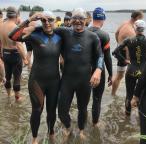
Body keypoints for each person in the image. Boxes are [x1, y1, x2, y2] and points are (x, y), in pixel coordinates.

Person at [9, 11, 62, 144]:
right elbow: (13, 36)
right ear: (40, 21)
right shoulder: (34, 35)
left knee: (51, 111)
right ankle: (34, 138)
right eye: (44, 20)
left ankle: (51, 134)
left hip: (54, 81)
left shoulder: (61, 36)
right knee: (37, 110)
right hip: (37, 80)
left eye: (50, 20)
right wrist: (29, 20)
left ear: (55, 21)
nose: (47, 23)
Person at [55, 8, 104, 139]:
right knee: (61, 110)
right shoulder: (64, 32)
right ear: (70, 20)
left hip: (84, 81)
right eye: (75, 18)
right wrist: (32, 21)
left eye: (81, 18)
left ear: (86, 20)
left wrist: (98, 70)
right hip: (67, 79)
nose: (78, 20)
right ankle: (68, 126)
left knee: (83, 109)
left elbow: (100, 55)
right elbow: (46, 28)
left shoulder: (93, 37)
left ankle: (81, 130)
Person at [113, 20, 146, 116]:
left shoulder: (128, 40)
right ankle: (141, 117)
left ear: (135, 28)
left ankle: (127, 114)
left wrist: (124, 61)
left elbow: (115, 52)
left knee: (129, 94)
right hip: (144, 72)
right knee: (142, 96)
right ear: (144, 29)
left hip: (131, 71)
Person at [88, 7, 112, 126]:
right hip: (98, 71)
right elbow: (107, 57)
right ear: (103, 19)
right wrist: (111, 74)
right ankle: (95, 123)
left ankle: (81, 126)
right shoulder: (104, 35)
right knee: (96, 99)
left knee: (83, 98)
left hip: (83, 70)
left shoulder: (84, 32)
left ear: (93, 18)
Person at [111, 10, 144, 96]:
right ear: (137, 18)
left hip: (120, 51)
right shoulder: (131, 31)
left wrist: (119, 44)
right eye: (141, 19)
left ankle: (113, 86)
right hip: (124, 54)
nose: (142, 21)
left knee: (120, 75)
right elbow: (130, 47)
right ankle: (113, 94)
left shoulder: (125, 23)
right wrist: (127, 57)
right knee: (120, 76)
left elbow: (116, 33)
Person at [0, 6, 26, 101]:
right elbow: (19, 45)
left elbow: (1, 42)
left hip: (5, 53)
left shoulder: (1, 25)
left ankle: (8, 95)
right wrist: (25, 59)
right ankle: (17, 98)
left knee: (7, 76)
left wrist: (2, 53)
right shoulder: (15, 27)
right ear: (16, 15)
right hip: (15, 54)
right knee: (17, 77)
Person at [131, 52, 146, 144]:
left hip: (131, 69)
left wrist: (135, 95)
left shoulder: (128, 40)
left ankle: (127, 115)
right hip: (140, 68)